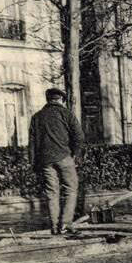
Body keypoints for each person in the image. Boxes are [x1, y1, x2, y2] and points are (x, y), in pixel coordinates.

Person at [29, 87, 83, 234]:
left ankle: (54, 226)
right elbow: (78, 136)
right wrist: (76, 155)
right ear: (61, 100)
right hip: (64, 156)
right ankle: (65, 224)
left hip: (45, 160)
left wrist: (34, 163)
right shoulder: (66, 114)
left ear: (48, 100)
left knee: (52, 193)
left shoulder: (36, 117)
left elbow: (32, 143)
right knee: (71, 190)